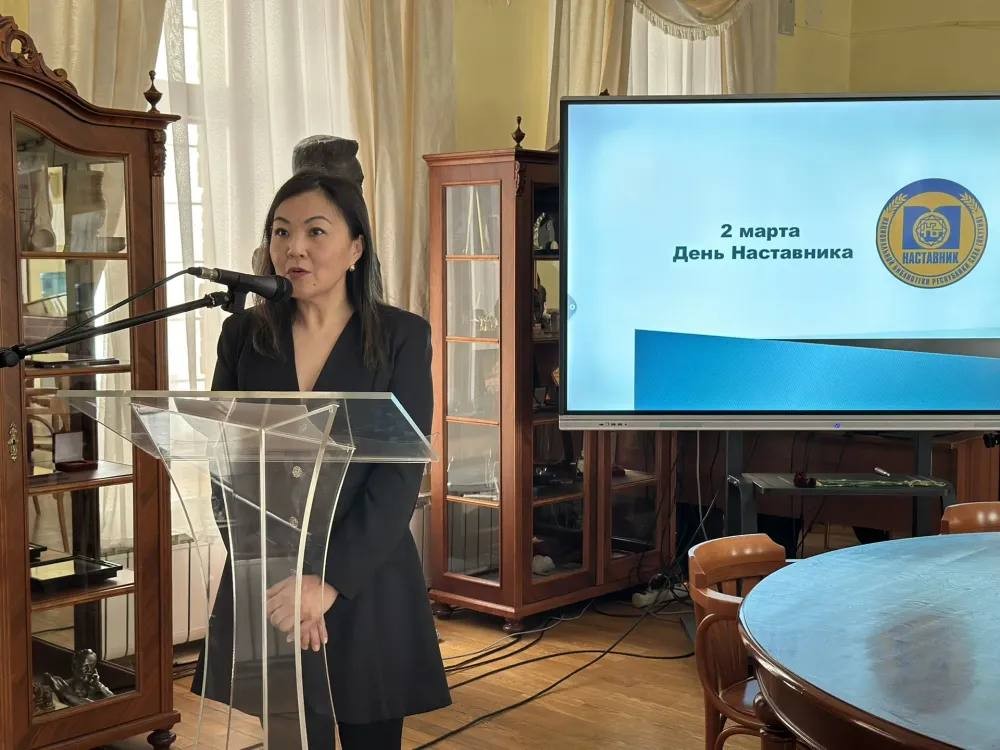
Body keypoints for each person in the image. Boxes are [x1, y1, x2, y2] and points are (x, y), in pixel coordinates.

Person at [193, 168, 450, 749]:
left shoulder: (402, 336)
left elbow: (398, 475)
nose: (295, 248)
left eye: (315, 231)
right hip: (272, 579)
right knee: (289, 737)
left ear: (356, 248)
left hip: (366, 571)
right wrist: (276, 575)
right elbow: (226, 465)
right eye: (281, 232)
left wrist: (328, 583)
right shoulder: (244, 336)